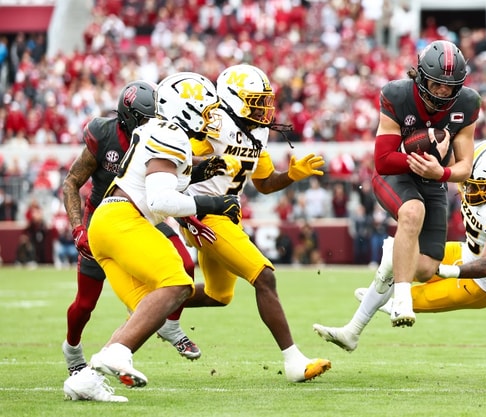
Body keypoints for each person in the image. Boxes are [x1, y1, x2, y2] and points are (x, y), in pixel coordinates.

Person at [63, 72, 241, 402]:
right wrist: (214, 203)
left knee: (148, 310)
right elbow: (160, 200)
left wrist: (203, 170)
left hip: (109, 224)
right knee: (178, 284)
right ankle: (118, 352)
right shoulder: (170, 134)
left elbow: (162, 180)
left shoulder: (158, 131)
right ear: (184, 109)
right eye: (204, 111)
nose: (210, 119)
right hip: (123, 220)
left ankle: (85, 380)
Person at [180, 64, 331, 383]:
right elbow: (177, 160)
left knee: (218, 295)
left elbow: (264, 183)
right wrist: (209, 164)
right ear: (233, 100)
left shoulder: (257, 132)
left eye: (264, 101)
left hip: (226, 217)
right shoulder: (213, 122)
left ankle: (150, 300)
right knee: (264, 276)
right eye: (255, 101)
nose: (264, 108)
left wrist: (291, 175)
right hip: (202, 215)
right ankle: (294, 362)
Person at [313, 140, 486, 351]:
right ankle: (352, 332)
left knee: (408, 299)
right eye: (469, 182)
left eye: (480, 186)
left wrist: (446, 271)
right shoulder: (469, 172)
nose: (471, 189)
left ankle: (376, 309)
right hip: (465, 251)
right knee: (395, 256)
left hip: (480, 285)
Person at [370, 39, 480, 328]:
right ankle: (402, 301)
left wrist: (440, 173)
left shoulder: (468, 103)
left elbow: (465, 167)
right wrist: (418, 158)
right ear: (421, 77)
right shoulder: (397, 94)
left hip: (434, 180)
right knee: (412, 211)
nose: (443, 91)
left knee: (426, 268)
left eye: (450, 86)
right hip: (395, 174)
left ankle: (393, 254)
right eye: (437, 84)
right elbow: (382, 160)